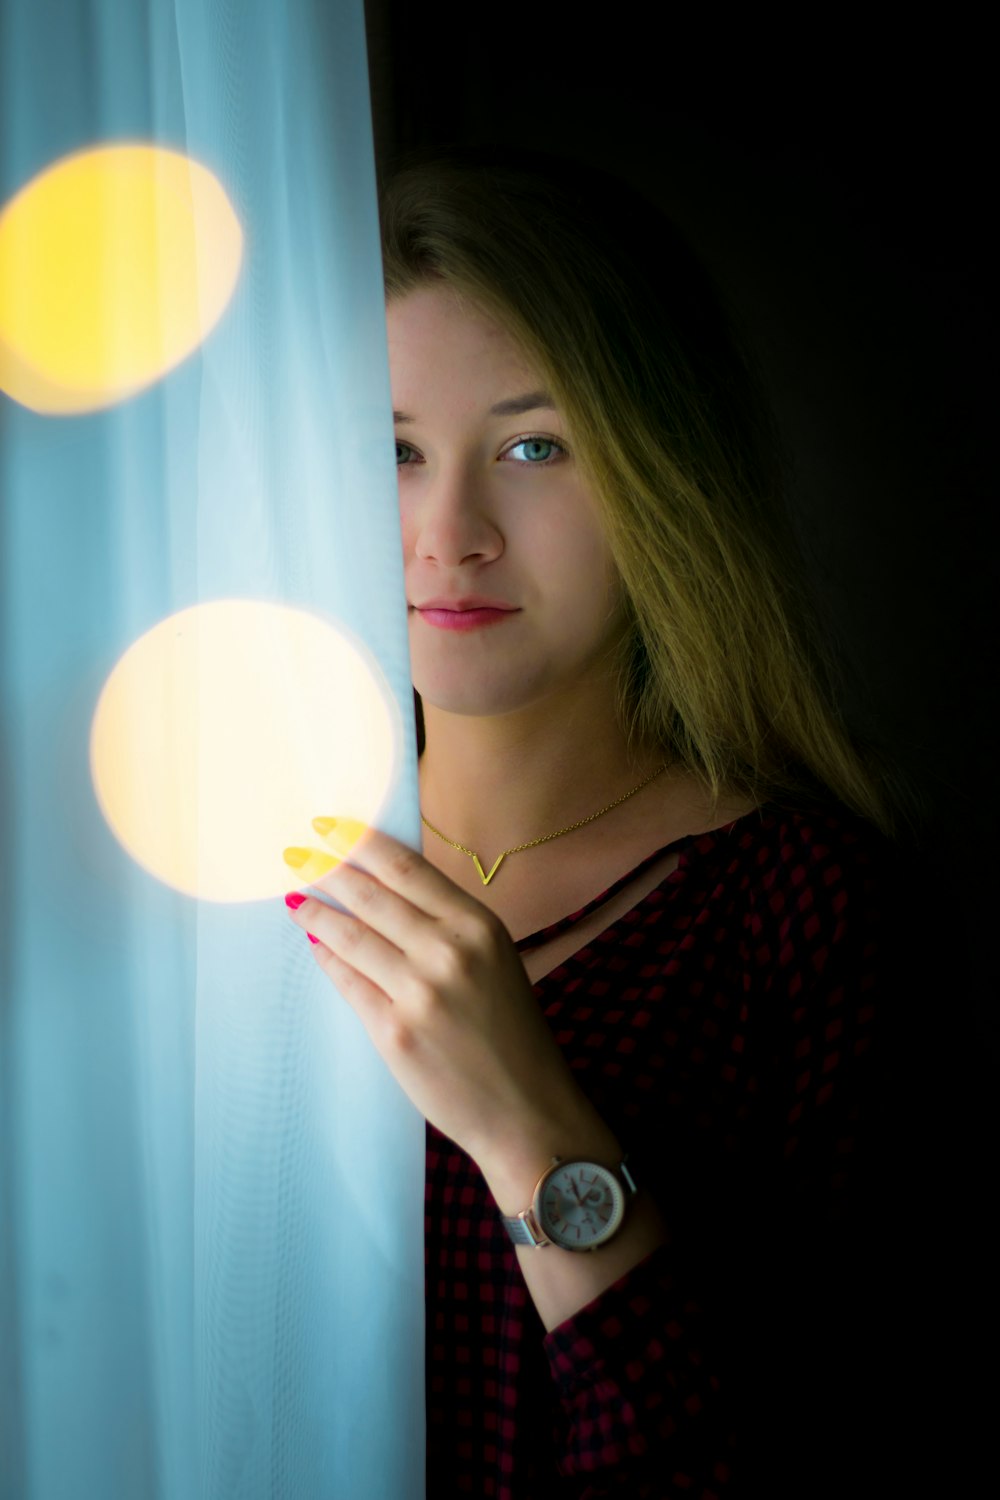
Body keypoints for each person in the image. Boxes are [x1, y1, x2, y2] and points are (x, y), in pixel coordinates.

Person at [285, 144, 932, 1498]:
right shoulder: (243, 875)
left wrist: (533, 1126)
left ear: (659, 476)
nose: (448, 532)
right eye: (391, 451)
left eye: (533, 446)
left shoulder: (803, 912)